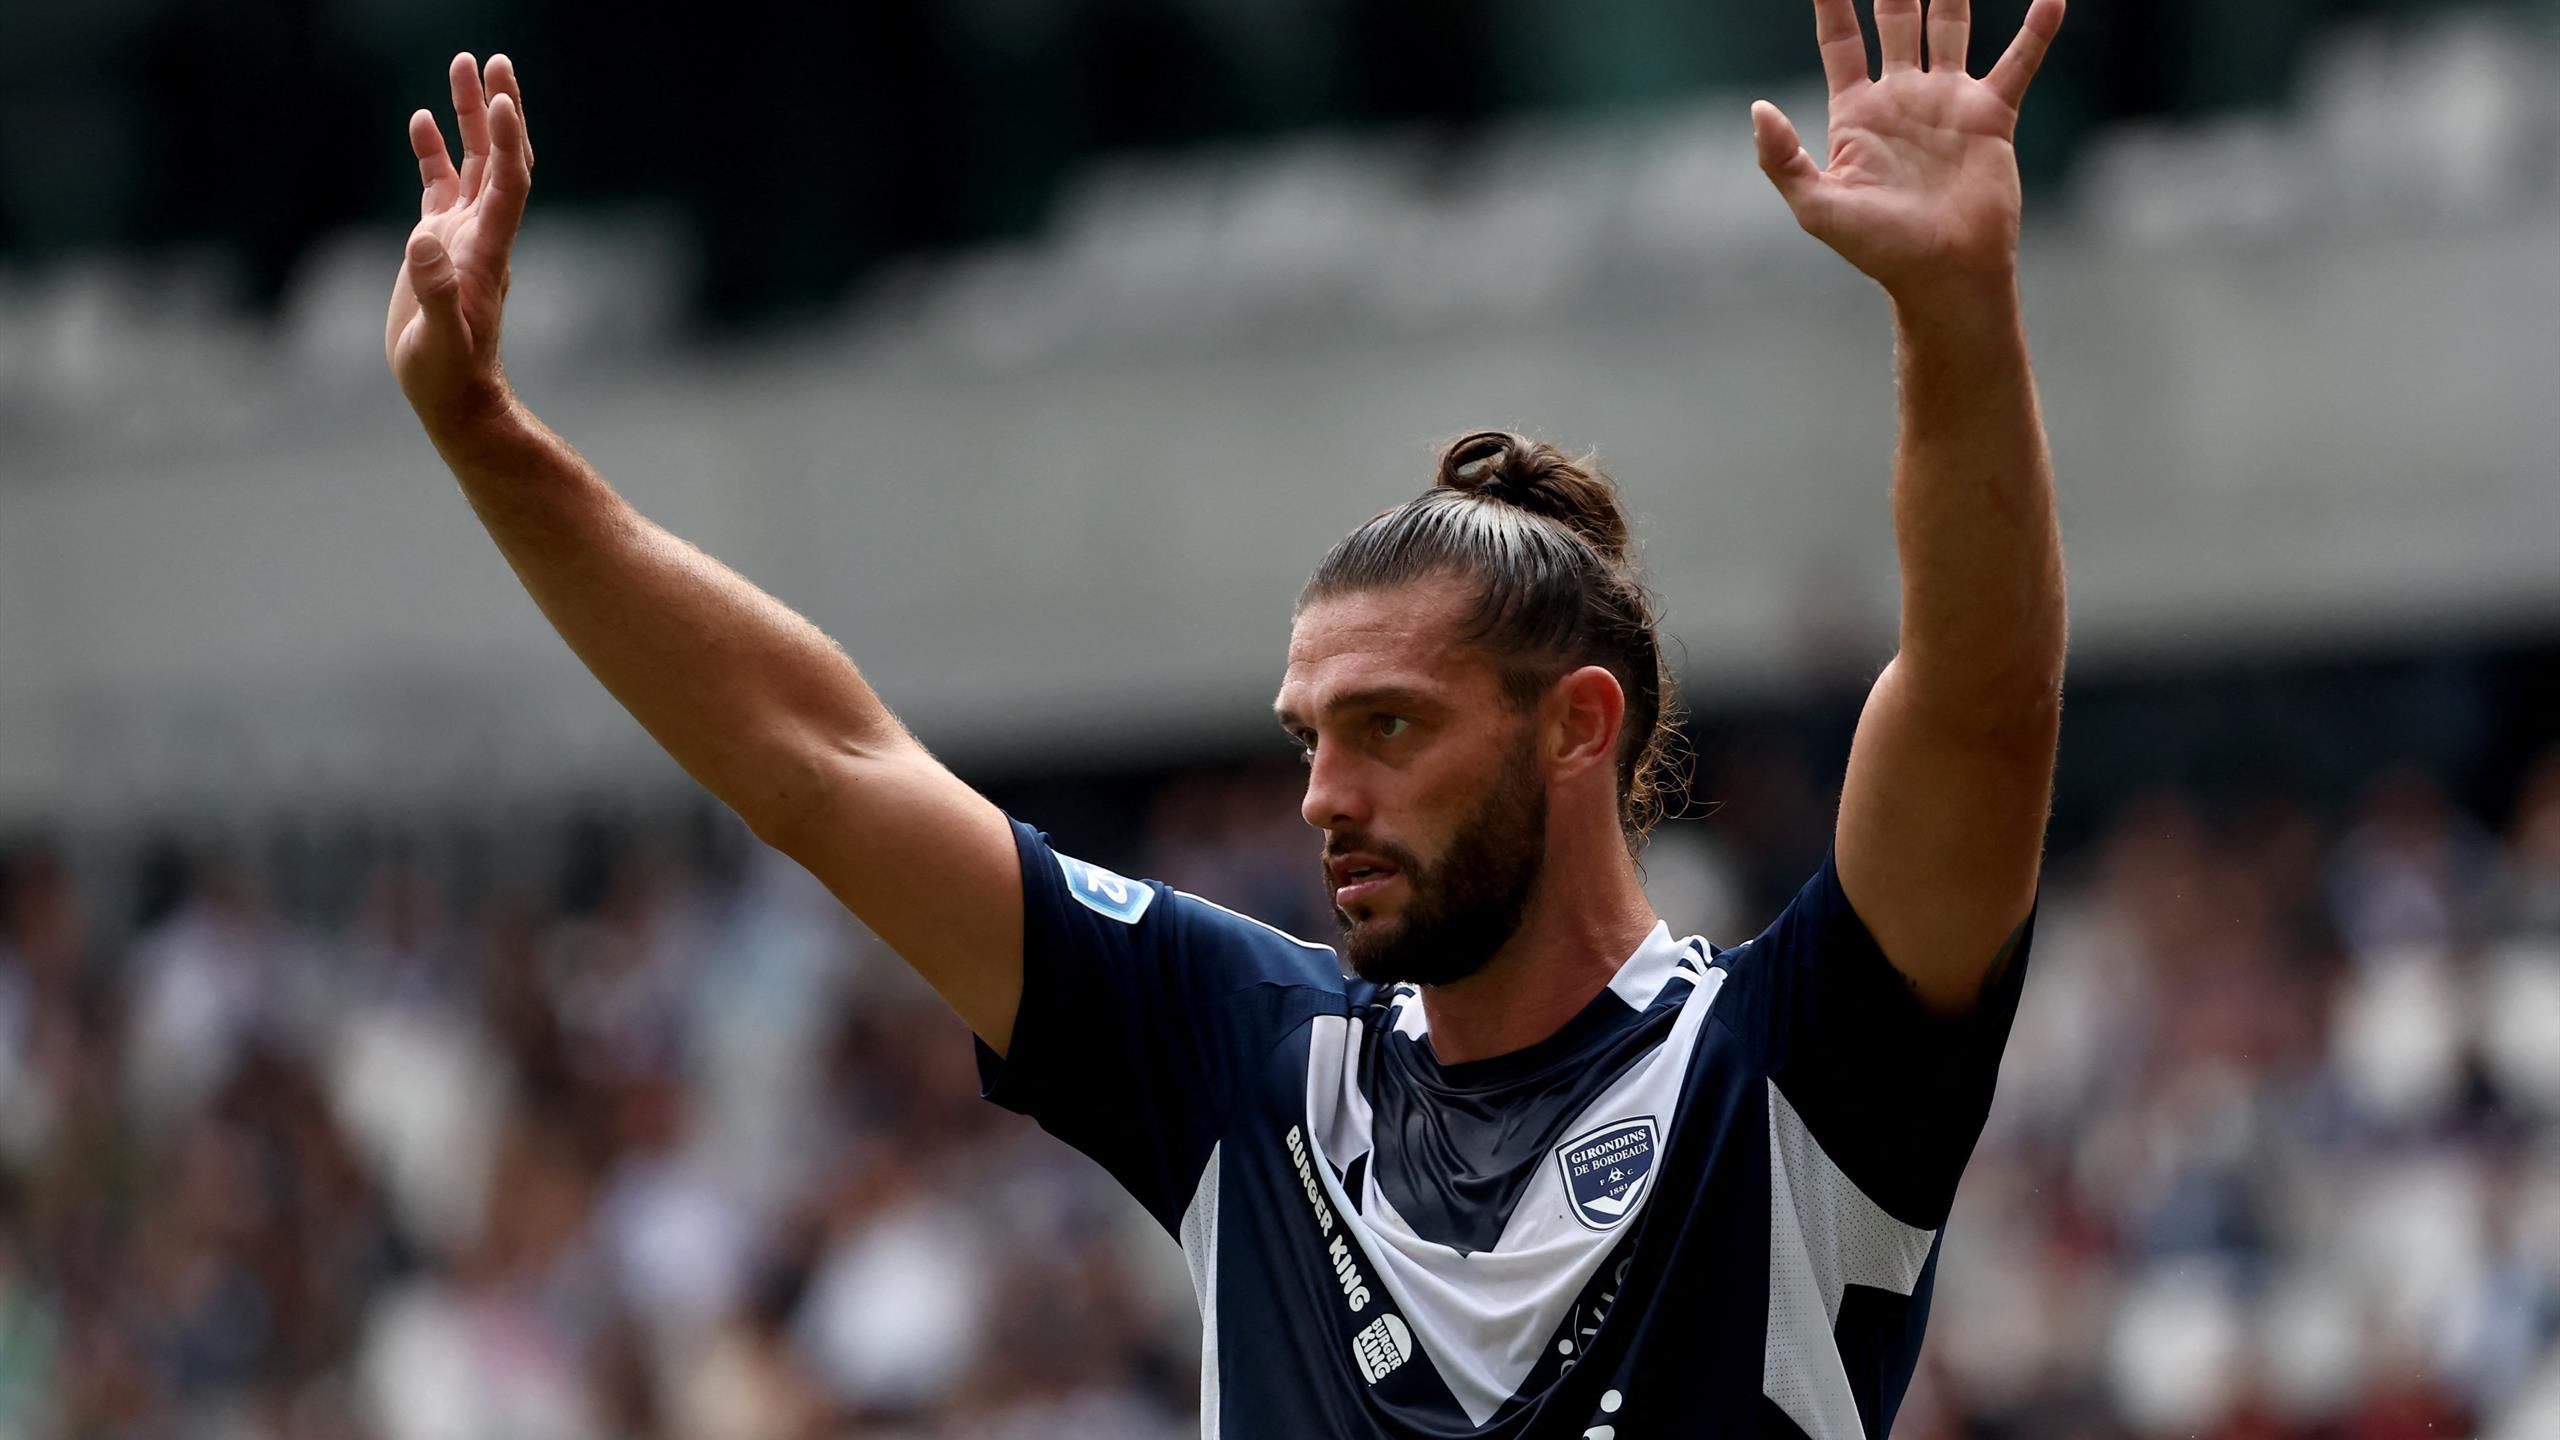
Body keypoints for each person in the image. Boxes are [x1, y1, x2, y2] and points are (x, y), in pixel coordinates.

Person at [384, 0, 2067, 1431]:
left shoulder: (1784, 1074)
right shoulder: (1243, 1056)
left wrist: (1955, 308)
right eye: (1307, 736)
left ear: (1579, 727)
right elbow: (819, 761)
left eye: (1390, 729)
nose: (1322, 794)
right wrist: (487, 443)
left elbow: (1983, 707)